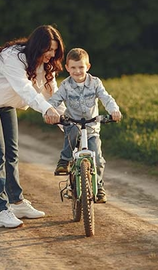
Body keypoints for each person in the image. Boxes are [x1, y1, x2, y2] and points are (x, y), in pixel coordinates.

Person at [0, 25, 65, 228]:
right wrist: (46, 111)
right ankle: (2, 211)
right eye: (49, 49)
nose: (52, 54)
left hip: (6, 104)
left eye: (55, 50)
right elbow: (26, 90)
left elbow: (53, 95)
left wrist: (67, 121)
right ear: (38, 46)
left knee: (12, 153)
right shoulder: (13, 58)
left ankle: (17, 202)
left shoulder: (47, 65)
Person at [48, 48, 122, 203]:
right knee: (73, 130)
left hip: (91, 128)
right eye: (73, 67)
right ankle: (65, 160)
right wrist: (50, 112)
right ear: (67, 68)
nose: (77, 71)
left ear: (88, 67)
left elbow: (106, 98)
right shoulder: (66, 85)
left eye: (81, 67)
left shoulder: (95, 83)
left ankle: (99, 186)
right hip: (72, 123)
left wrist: (114, 110)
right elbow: (54, 101)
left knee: (98, 159)